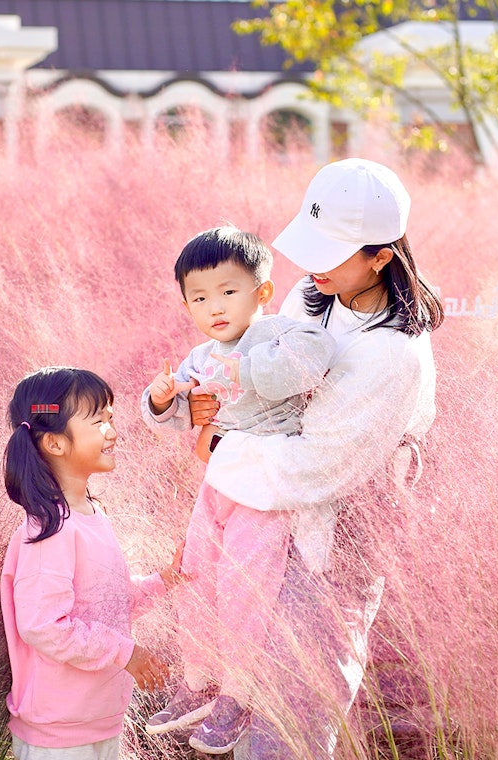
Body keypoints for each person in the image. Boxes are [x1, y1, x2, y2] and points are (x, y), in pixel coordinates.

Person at [192, 159, 445, 758]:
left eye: (329, 253)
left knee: (290, 730)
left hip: (337, 553)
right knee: (249, 701)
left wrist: (224, 448)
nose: (310, 266)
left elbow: (319, 467)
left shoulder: (394, 356)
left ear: (381, 256)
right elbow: (268, 376)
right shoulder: (319, 295)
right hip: (276, 524)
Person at [139, 226, 336, 754]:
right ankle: (200, 676)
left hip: (264, 487)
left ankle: (239, 691)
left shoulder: (280, 334)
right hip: (219, 482)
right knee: (199, 574)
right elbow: (180, 412)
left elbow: (314, 354)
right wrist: (162, 400)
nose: (215, 307)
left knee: (244, 588)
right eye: (199, 298)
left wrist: (240, 371)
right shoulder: (202, 354)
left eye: (229, 291)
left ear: (263, 293)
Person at [0, 366, 185, 760]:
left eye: (111, 417)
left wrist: (165, 580)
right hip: (59, 733)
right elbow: (42, 625)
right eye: (97, 420)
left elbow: (103, 600)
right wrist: (126, 654)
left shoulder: (90, 513)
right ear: (55, 443)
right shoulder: (48, 531)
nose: (112, 431)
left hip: (96, 719)